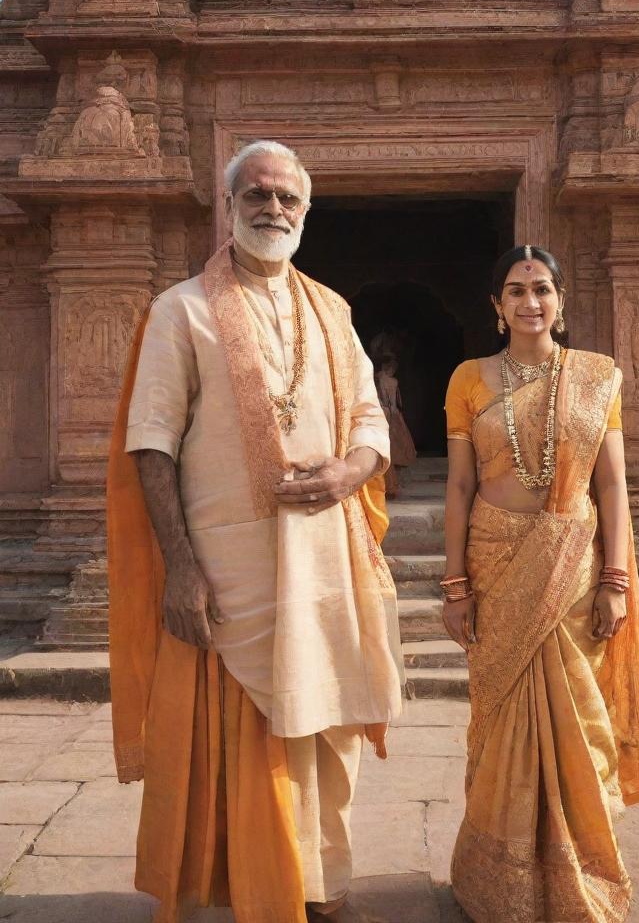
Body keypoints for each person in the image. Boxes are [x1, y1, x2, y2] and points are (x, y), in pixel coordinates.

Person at [106, 140, 404, 923]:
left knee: (329, 724)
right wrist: (180, 567)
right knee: (245, 738)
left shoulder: (332, 309)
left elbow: (370, 419)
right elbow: (151, 440)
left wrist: (353, 470)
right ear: (229, 206)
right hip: (230, 565)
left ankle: (319, 885)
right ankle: (247, 887)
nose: (273, 209)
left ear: (306, 212)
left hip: (328, 563)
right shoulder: (183, 309)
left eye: (288, 199)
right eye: (258, 195)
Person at [442, 245, 639, 922]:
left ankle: (581, 866)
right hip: (493, 560)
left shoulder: (596, 377)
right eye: (516, 290)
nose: (530, 301)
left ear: (561, 301)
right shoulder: (468, 378)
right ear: (496, 307)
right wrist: (455, 585)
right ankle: (498, 880)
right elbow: (459, 486)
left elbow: (612, 484)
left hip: (574, 563)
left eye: (542, 288)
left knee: (578, 714)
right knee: (501, 719)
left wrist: (615, 578)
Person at [374, 353, 417, 497]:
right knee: (395, 446)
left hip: (375, 412)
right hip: (388, 413)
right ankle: (391, 485)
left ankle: (387, 485)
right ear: (390, 367)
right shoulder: (392, 381)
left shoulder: (375, 377)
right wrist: (394, 420)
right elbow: (392, 404)